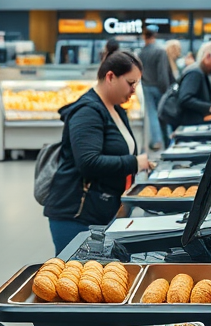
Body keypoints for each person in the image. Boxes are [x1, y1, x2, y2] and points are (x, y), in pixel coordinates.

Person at [44, 51, 152, 253]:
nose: (133, 91)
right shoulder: (87, 112)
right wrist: (135, 163)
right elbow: (88, 162)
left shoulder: (115, 108)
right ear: (110, 77)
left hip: (102, 209)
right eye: (130, 83)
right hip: (77, 215)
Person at [177, 41, 211, 126]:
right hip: (190, 124)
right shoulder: (195, 73)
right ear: (208, 56)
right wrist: (210, 107)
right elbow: (185, 99)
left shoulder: (201, 72)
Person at [138, 28, 171, 151]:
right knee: (164, 113)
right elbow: (162, 72)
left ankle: (156, 140)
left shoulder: (141, 53)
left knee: (152, 114)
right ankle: (168, 138)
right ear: (154, 36)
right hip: (159, 86)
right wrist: (166, 89)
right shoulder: (160, 51)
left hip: (146, 85)